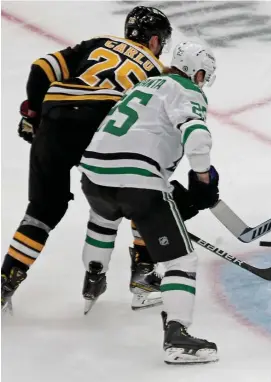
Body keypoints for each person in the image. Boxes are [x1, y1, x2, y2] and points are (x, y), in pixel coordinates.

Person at [1, 6, 172, 313]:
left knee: (42, 210)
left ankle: (5, 282)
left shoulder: (99, 42)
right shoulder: (159, 72)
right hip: (102, 126)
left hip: (55, 119)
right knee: (138, 187)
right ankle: (142, 276)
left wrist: (34, 115)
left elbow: (41, 68)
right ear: (156, 41)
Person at [78, 41, 219, 364]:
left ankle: (94, 277)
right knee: (181, 260)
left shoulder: (144, 85)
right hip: (138, 180)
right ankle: (177, 335)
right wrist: (202, 179)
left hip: (93, 173)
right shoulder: (186, 90)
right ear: (197, 72)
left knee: (103, 219)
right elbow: (196, 135)